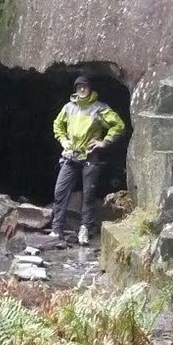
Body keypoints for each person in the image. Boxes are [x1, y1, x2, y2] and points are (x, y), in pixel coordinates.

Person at [50, 75, 127, 246]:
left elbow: (118, 125)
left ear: (90, 89)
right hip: (71, 155)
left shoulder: (99, 108)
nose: (82, 90)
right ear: (75, 90)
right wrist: (63, 140)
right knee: (60, 191)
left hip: (90, 156)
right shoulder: (69, 107)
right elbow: (57, 124)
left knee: (88, 195)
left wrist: (104, 142)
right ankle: (57, 229)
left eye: (85, 87)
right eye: (79, 87)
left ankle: (85, 229)